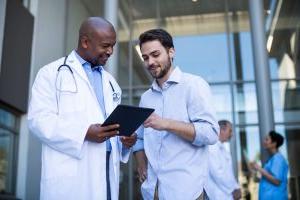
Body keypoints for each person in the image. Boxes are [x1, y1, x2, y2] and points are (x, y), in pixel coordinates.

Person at [28, 17, 136, 200]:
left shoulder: (112, 84)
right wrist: (84, 133)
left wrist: (124, 141)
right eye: (105, 45)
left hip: (107, 174)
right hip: (71, 178)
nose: (110, 51)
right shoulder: (51, 73)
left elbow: (113, 128)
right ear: (85, 42)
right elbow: (38, 121)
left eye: (113, 46)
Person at [133, 28, 219, 200]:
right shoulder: (146, 98)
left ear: (171, 51)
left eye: (155, 54)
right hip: (153, 192)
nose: (150, 62)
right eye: (145, 57)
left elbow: (211, 133)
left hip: (187, 192)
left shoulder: (193, 85)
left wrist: (167, 124)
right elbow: (139, 139)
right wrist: (141, 164)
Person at [205, 120, 241, 200]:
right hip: (218, 194)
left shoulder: (223, 149)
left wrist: (236, 187)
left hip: (226, 194)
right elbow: (218, 173)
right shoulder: (212, 147)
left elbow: (229, 173)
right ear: (221, 130)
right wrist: (233, 189)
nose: (231, 134)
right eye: (230, 131)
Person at [250, 131, 289, 200]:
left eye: (267, 139)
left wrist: (259, 168)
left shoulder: (278, 159)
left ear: (274, 143)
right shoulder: (272, 159)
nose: (264, 142)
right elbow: (267, 179)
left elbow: (277, 181)